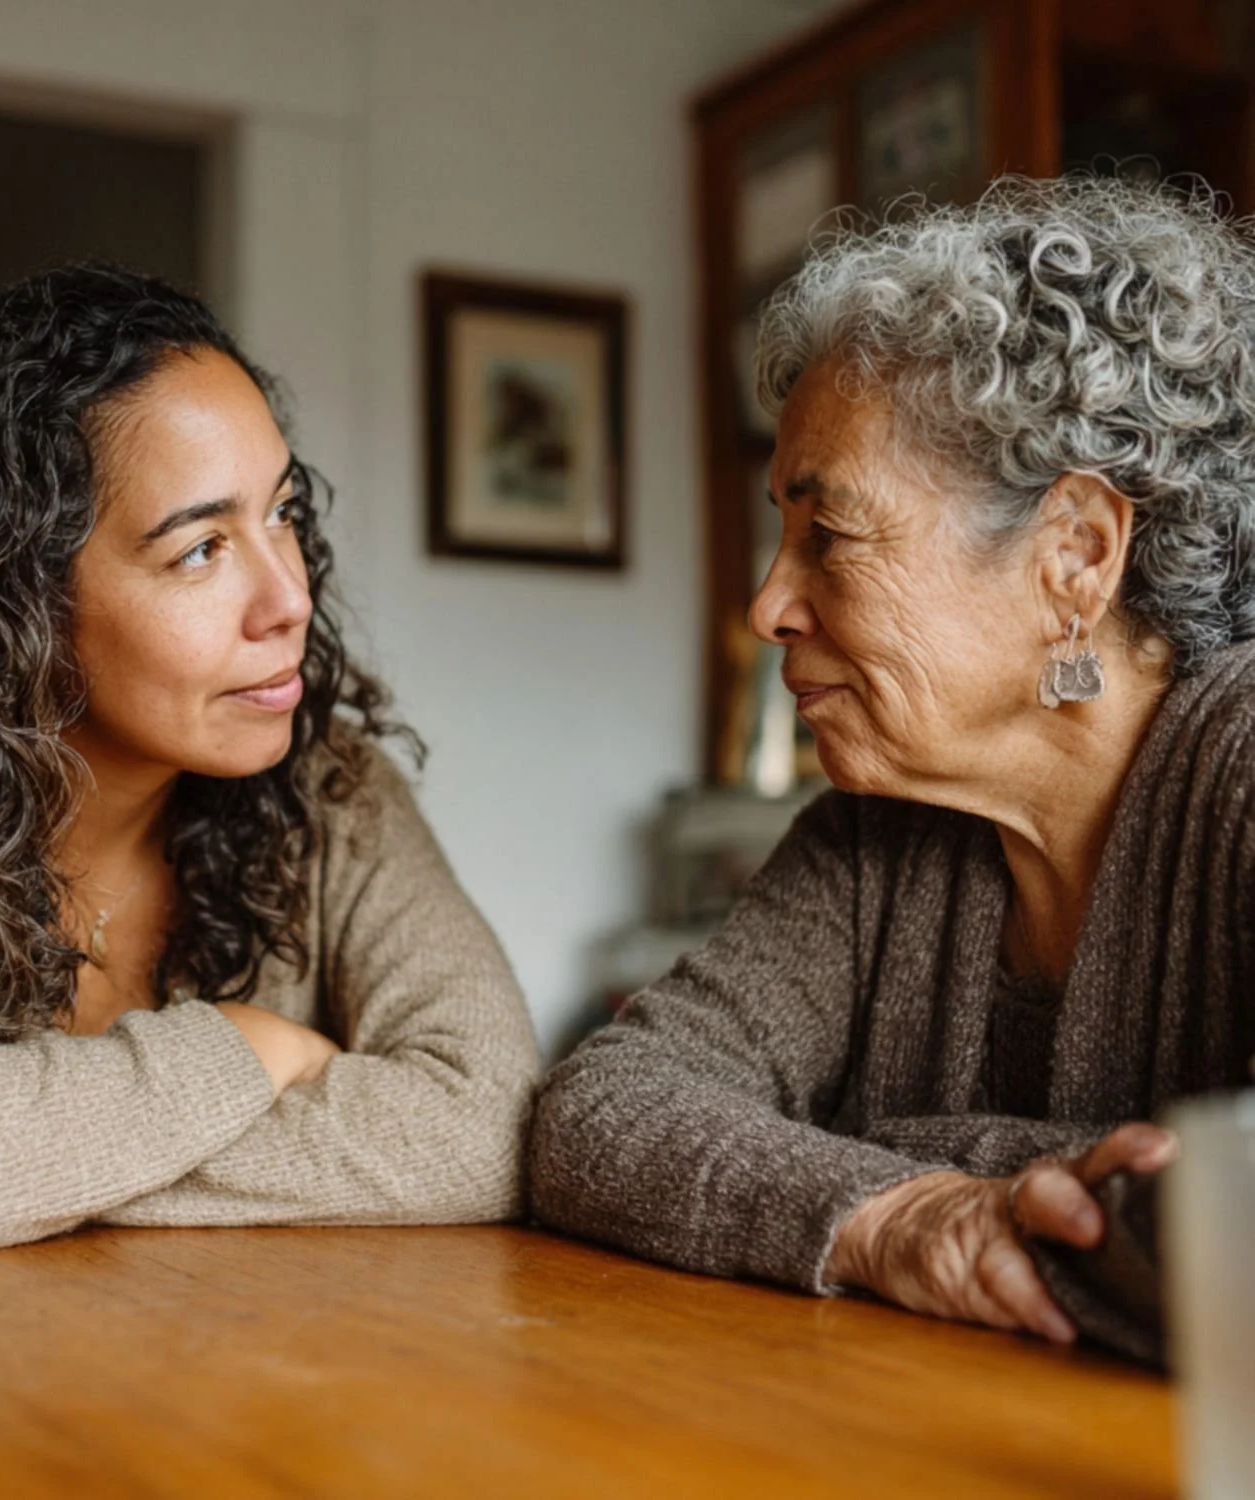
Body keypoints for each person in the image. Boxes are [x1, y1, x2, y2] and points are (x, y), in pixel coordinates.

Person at [529, 175, 1255, 1346]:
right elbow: (596, 1116)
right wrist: (900, 1209)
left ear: (1075, 554)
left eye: (830, 534)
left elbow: (1233, 1242)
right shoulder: (874, 831)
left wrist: (881, 1148)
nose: (767, 605)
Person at [0, 263, 539, 1263]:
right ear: (8, 602)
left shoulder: (334, 791)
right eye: (200, 550)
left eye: (283, 513)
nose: (289, 598)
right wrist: (246, 1049)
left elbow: (490, 1124)